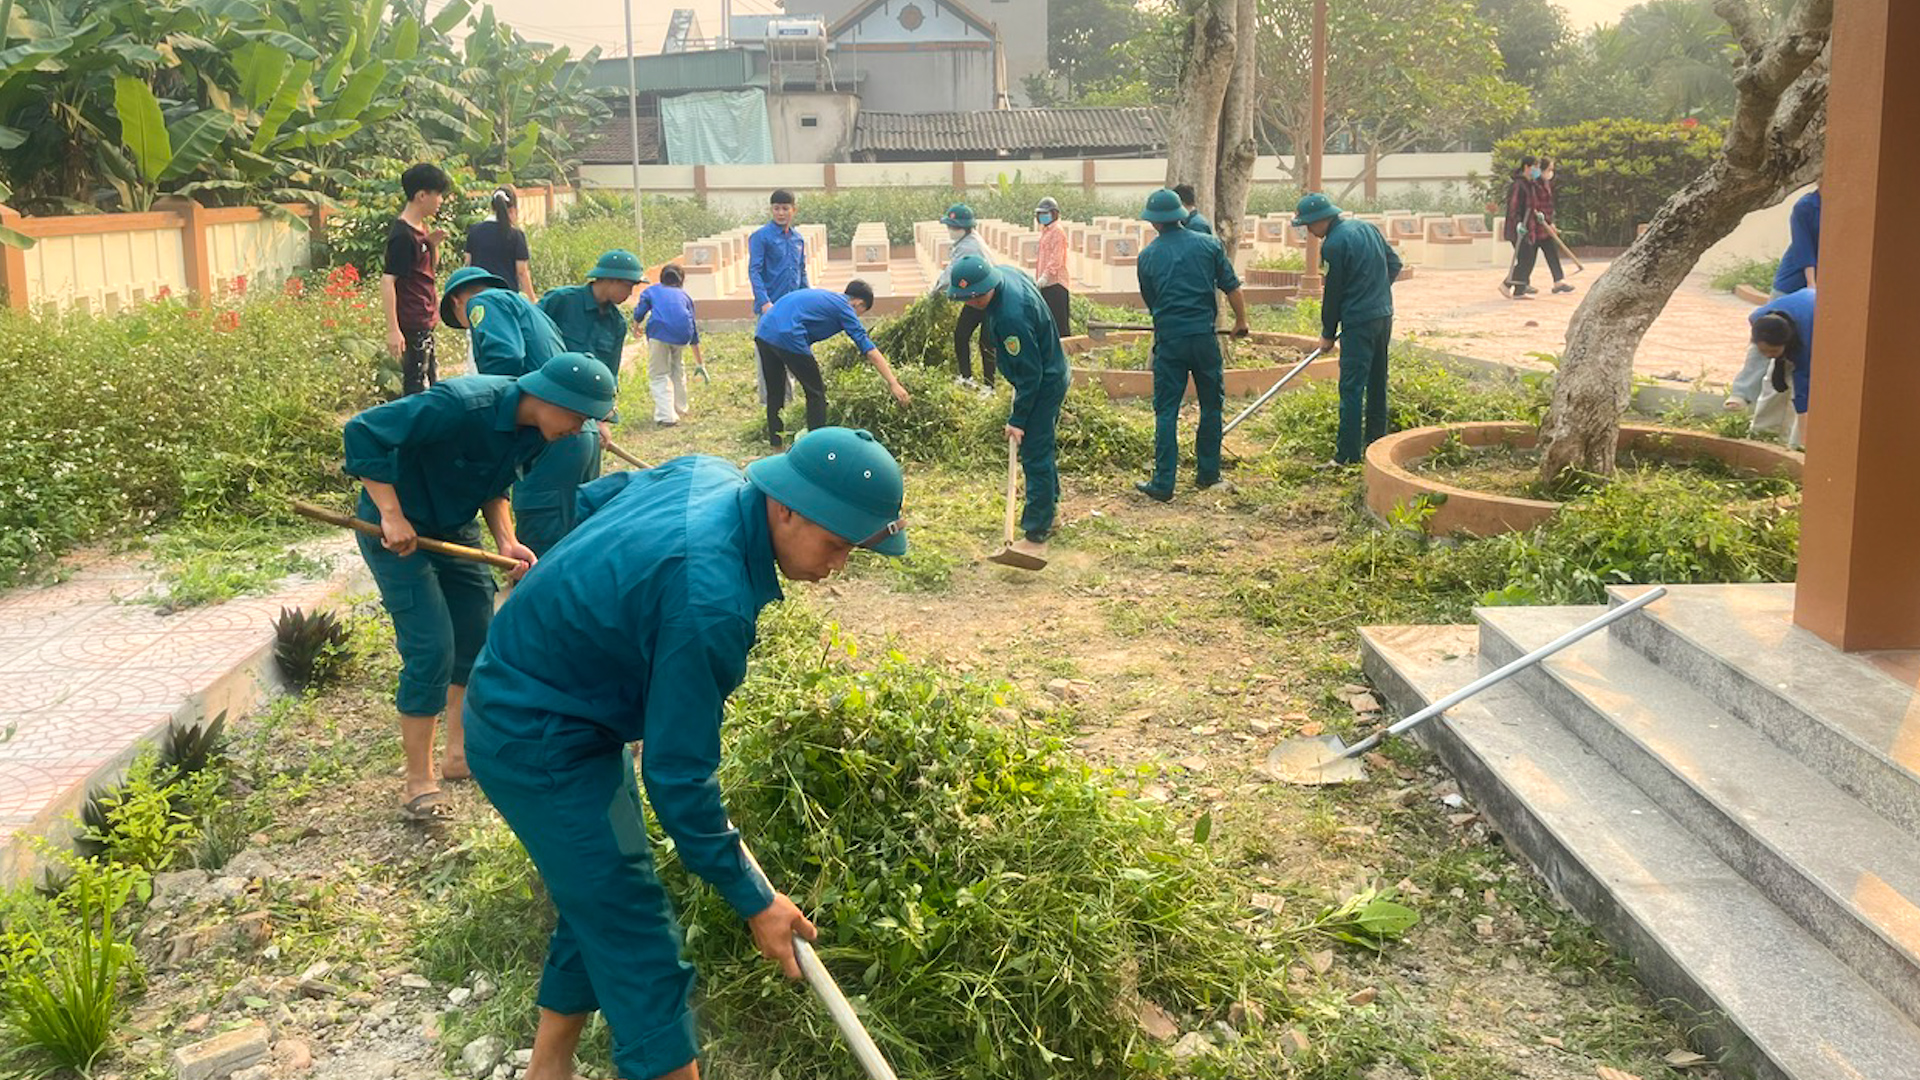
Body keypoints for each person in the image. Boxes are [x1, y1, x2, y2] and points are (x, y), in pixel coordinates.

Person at [462, 426, 906, 1080]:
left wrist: (599, 610)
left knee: (602, 885)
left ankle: (547, 1068)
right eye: (837, 543)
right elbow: (676, 779)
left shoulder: (708, 472)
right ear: (784, 507)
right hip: (533, 728)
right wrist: (756, 899)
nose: (837, 565)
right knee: (636, 929)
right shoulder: (712, 599)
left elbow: (595, 505)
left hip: (564, 700)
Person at [341, 352, 616, 821]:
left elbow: (493, 483)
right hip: (399, 535)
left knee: (477, 637)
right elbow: (364, 430)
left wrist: (507, 540)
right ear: (548, 397)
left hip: (453, 526)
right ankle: (417, 780)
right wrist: (391, 514)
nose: (579, 428)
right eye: (577, 415)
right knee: (431, 646)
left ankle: (458, 755)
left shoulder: (537, 433)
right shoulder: (461, 405)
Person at [440, 266, 594, 555]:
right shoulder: (527, 307)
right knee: (574, 539)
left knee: (541, 545)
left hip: (546, 433)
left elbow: (505, 358)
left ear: (456, 301)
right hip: (577, 429)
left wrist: (488, 408)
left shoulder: (481, 302)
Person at [947, 254, 1069, 563]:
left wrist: (1017, 419)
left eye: (975, 298)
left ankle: (1036, 533)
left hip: (1044, 381)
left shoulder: (1010, 316)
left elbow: (1031, 375)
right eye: (966, 299)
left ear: (985, 289)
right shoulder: (1002, 274)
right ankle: (1050, 510)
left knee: (1034, 452)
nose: (972, 304)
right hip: (1046, 370)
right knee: (1041, 446)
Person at [1132, 188, 1251, 502]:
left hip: (1170, 341)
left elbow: (1152, 300)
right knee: (1212, 405)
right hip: (1204, 339)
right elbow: (1232, 287)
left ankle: (1163, 483)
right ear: (1182, 216)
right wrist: (1241, 321)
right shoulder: (1209, 245)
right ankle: (1208, 475)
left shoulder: (1147, 257)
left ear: (1155, 223)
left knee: (1166, 410)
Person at [1297, 192, 1402, 466]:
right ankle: (1376, 445)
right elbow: (1394, 264)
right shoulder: (1367, 228)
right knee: (1378, 380)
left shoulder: (1333, 244)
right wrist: (1375, 292)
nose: (1309, 231)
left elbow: (1333, 293)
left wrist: (1328, 333)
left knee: (1352, 387)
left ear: (1322, 220)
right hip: (1383, 315)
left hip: (1358, 322)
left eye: (1309, 224)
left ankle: (1347, 455)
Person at [753, 282, 911, 449]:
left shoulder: (827, 298)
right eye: (860, 313)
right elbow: (869, 349)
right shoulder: (845, 308)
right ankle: (816, 447)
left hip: (764, 332)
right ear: (858, 303)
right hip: (789, 336)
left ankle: (776, 446)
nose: (856, 317)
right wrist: (893, 383)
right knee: (816, 393)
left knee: (775, 393)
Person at [1727, 185, 1820, 436]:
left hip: (1817, 301)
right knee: (1766, 348)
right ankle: (1756, 416)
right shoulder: (1806, 206)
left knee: (1801, 365)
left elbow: (1804, 378)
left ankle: (1797, 438)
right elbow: (1804, 249)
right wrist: (1812, 285)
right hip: (1795, 284)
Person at [381, 163, 451, 395]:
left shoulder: (420, 229)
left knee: (431, 381)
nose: (440, 200)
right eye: (437, 194)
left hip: (425, 317)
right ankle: (414, 429)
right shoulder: (402, 236)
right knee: (416, 385)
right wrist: (393, 329)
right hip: (412, 321)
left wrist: (432, 244)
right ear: (422, 195)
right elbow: (388, 280)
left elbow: (428, 270)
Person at [537, 249, 645, 377]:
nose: (630, 293)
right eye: (628, 286)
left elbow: (610, 373)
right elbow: (530, 334)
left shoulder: (617, 323)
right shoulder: (561, 300)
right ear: (612, 280)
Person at [748, 190, 807, 406]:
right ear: (771, 210)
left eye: (785, 208)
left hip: (792, 307)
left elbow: (802, 271)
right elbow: (754, 271)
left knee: (793, 352)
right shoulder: (761, 237)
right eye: (776, 208)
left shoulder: (798, 239)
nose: (780, 213)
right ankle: (770, 405)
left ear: (793, 210)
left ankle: (789, 404)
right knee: (769, 357)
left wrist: (806, 298)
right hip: (770, 307)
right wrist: (764, 302)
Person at [632, 264, 706, 427]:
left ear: (661, 278)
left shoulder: (652, 291)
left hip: (659, 332)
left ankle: (667, 416)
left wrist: (636, 325)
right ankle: (680, 407)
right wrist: (699, 361)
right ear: (681, 280)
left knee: (659, 373)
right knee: (677, 368)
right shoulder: (684, 296)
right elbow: (692, 326)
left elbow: (640, 312)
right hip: (682, 335)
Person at [935, 203, 997, 388]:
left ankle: (989, 385)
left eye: (954, 227)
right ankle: (966, 377)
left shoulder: (970, 246)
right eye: (949, 226)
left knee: (986, 342)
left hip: (988, 296)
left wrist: (935, 291)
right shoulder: (964, 242)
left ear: (965, 228)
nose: (951, 230)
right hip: (974, 296)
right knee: (961, 334)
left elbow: (951, 273)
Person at [1748, 287, 1815, 450]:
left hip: (1818, 321)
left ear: (1787, 344)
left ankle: (1797, 446)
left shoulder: (1804, 346)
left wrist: (1805, 429)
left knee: (1807, 398)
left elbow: (1802, 393)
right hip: (1801, 307)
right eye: (1764, 351)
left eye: (1773, 351)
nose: (1768, 355)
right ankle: (1761, 435)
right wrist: (1777, 357)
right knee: (1771, 386)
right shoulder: (1758, 318)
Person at [466, 186, 535, 299]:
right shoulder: (516, 235)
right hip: (507, 298)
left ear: (492, 207)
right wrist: (533, 299)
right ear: (512, 209)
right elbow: (522, 272)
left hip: (479, 296)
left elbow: (468, 263)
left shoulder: (474, 231)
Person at [1032, 196, 1071, 334]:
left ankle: (1065, 353)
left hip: (1056, 284)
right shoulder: (1045, 231)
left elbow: (1056, 258)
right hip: (1046, 285)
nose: (1043, 216)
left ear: (1054, 214)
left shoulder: (1057, 232)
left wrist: (1046, 276)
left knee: (1060, 325)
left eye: (1046, 213)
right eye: (1041, 214)